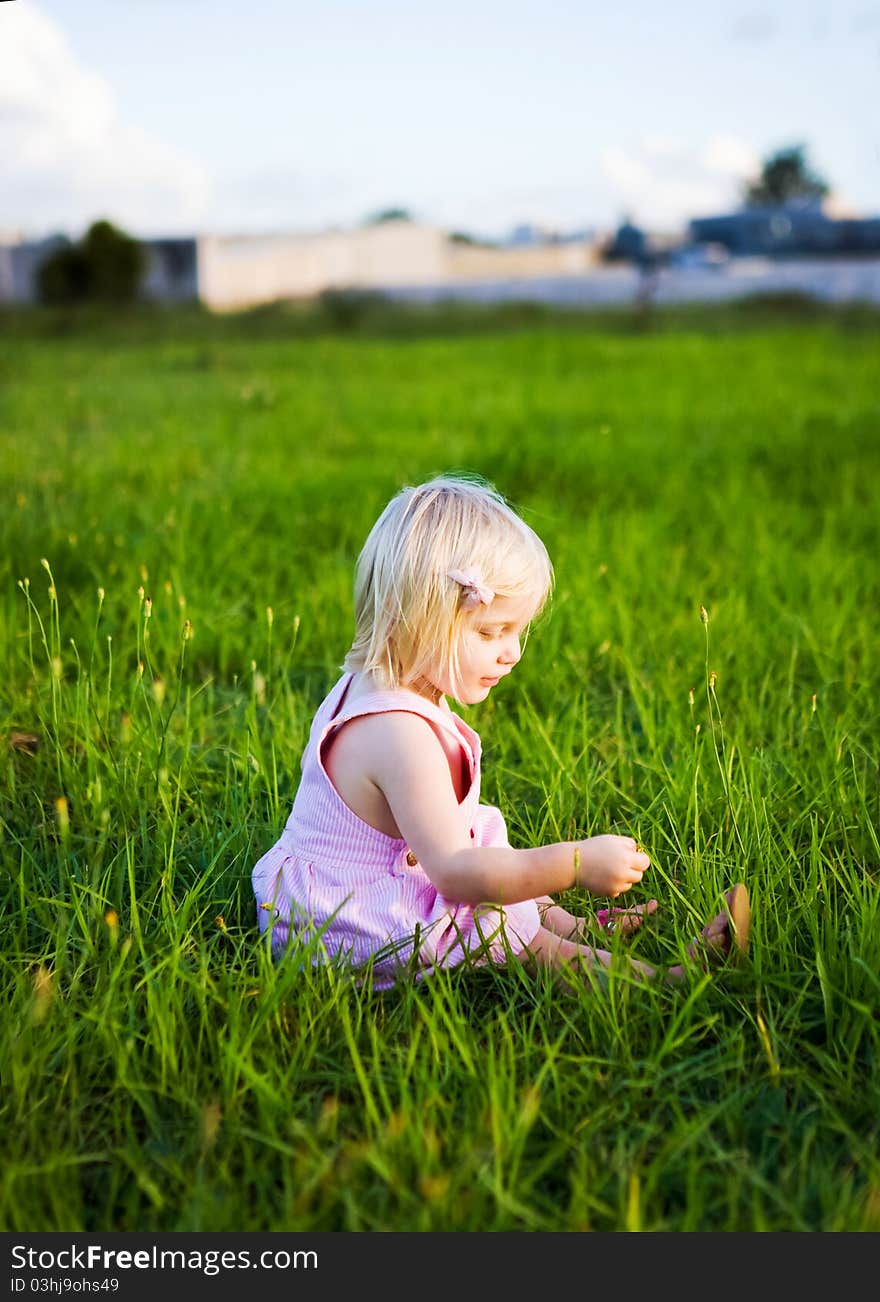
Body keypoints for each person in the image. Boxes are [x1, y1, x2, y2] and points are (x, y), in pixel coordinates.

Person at [252, 474, 749, 989]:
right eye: (489, 632)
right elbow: (457, 874)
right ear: (411, 620)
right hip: (343, 924)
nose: (512, 652)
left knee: (495, 851)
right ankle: (667, 983)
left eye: (514, 630)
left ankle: (579, 928)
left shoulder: (383, 677)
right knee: (499, 920)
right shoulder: (399, 736)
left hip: (335, 888)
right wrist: (575, 862)